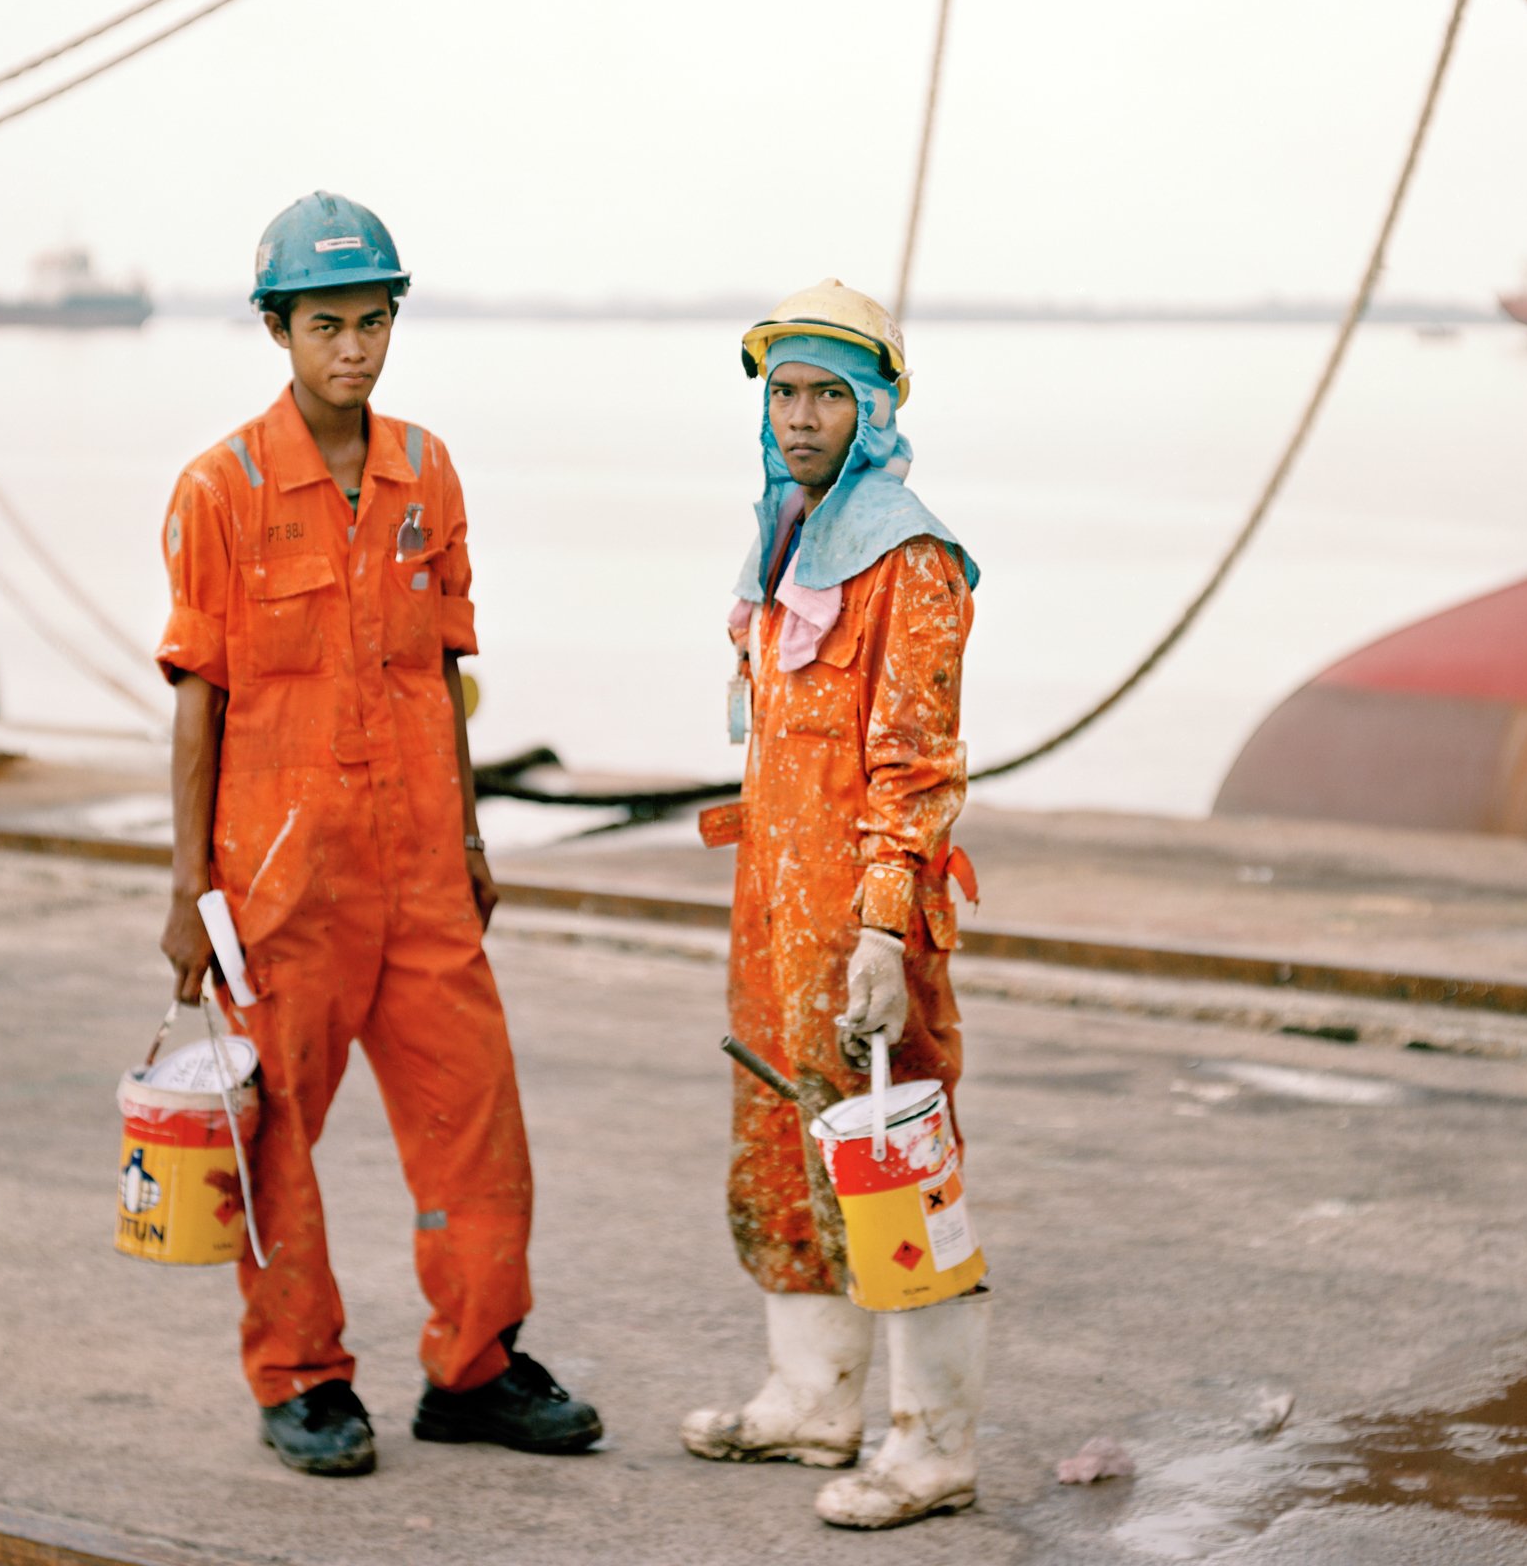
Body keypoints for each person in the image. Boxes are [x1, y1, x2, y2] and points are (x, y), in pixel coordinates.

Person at [154, 191, 601, 1477]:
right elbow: (201, 701)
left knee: (474, 1117)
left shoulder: (428, 469)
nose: (353, 348)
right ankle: (299, 1374)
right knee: (275, 1127)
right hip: (283, 874)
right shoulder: (220, 489)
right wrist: (190, 890)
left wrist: (466, 838)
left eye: (372, 321)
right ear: (279, 331)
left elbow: (444, 674)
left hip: (420, 868)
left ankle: (474, 1363)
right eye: (326, 324)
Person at [680, 279, 986, 1529]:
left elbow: (916, 763)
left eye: (826, 394)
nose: (801, 416)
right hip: (770, 911)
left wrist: (878, 925)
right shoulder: (782, 543)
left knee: (895, 1162)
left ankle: (933, 1444)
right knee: (778, 1140)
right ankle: (811, 1397)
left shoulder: (907, 557)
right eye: (784, 393)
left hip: (861, 924)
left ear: (876, 407)